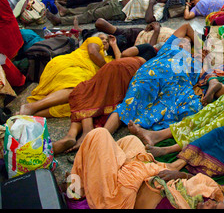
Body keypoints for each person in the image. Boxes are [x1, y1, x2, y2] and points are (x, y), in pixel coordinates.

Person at [52, 23, 161, 155]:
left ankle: (75, 134)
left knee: (84, 91)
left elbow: (123, 56)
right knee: (98, 99)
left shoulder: (147, 48)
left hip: (123, 66)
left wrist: (115, 46)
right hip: (133, 76)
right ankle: (76, 135)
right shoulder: (156, 61)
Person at [66, 128, 224, 209]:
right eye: (214, 202)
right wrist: (180, 175)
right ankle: (95, 168)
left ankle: (76, 190)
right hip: (145, 170)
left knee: (99, 135)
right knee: (131, 141)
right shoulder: (207, 194)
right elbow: (192, 179)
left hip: (122, 194)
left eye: (213, 207)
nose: (211, 202)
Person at [20, 33, 117, 118]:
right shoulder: (93, 41)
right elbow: (93, 53)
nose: (104, 41)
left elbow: (121, 63)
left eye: (107, 41)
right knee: (77, 89)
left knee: (77, 102)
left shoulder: (108, 58)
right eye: (102, 38)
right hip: (71, 65)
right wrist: (107, 67)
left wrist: (114, 45)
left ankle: (31, 114)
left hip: (83, 73)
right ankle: (32, 107)